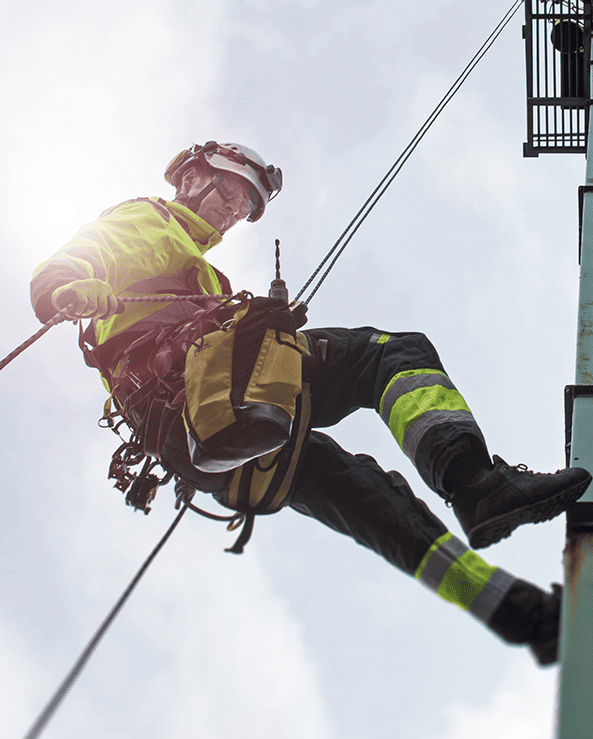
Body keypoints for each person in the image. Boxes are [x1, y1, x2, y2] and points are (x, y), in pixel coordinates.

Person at [30, 140, 591, 666]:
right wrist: (65, 286)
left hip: (207, 431)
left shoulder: (207, 274)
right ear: (192, 175)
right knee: (388, 355)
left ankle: (523, 616)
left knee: (375, 504)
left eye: (243, 206)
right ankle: (475, 485)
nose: (231, 212)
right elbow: (87, 254)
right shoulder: (153, 222)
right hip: (207, 394)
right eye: (228, 193)